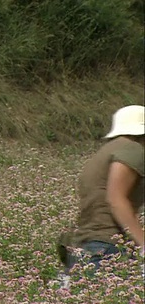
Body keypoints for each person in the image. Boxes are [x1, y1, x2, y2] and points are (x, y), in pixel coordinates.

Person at [57, 105, 144, 284]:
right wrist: (143, 244)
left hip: (84, 244)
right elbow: (116, 198)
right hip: (106, 248)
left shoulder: (105, 152)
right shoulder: (132, 150)